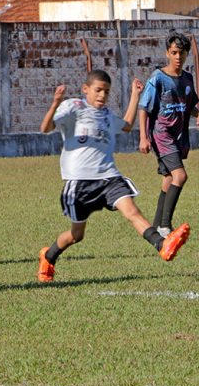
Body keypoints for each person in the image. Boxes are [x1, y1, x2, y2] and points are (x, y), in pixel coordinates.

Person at [37, 70, 190, 283]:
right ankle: (48, 256)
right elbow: (45, 128)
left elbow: (126, 125)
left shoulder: (107, 115)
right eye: (98, 90)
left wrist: (135, 96)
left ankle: (162, 245)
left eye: (106, 92)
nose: (102, 95)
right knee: (76, 235)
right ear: (85, 90)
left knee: (132, 211)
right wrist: (55, 103)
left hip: (108, 177)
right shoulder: (74, 108)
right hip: (79, 183)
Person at [137, 31, 199, 237]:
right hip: (161, 134)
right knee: (180, 175)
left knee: (169, 178)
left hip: (178, 136)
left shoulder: (186, 78)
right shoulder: (157, 78)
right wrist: (143, 136)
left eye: (182, 53)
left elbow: (189, 105)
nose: (178, 57)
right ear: (167, 53)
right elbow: (144, 107)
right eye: (174, 52)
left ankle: (157, 225)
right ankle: (166, 226)